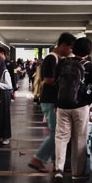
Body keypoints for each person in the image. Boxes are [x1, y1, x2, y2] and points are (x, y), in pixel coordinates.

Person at [52, 37, 92, 183]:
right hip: (80, 106)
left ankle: (59, 169)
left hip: (62, 106)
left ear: (73, 49)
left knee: (61, 137)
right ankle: (77, 173)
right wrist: (88, 101)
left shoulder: (62, 63)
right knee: (79, 139)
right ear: (88, 51)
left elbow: (56, 84)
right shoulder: (88, 66)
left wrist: (57, 103)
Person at [28, 33, 75, 172]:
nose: (71, 51)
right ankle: (37, 159)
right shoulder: (51, 58)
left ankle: (57, 163)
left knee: (58, 133)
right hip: (50, 100)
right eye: (70, 48)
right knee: (56, 133)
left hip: (54, 100)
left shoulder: (59, 59)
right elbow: (48, 79)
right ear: (63, 45)